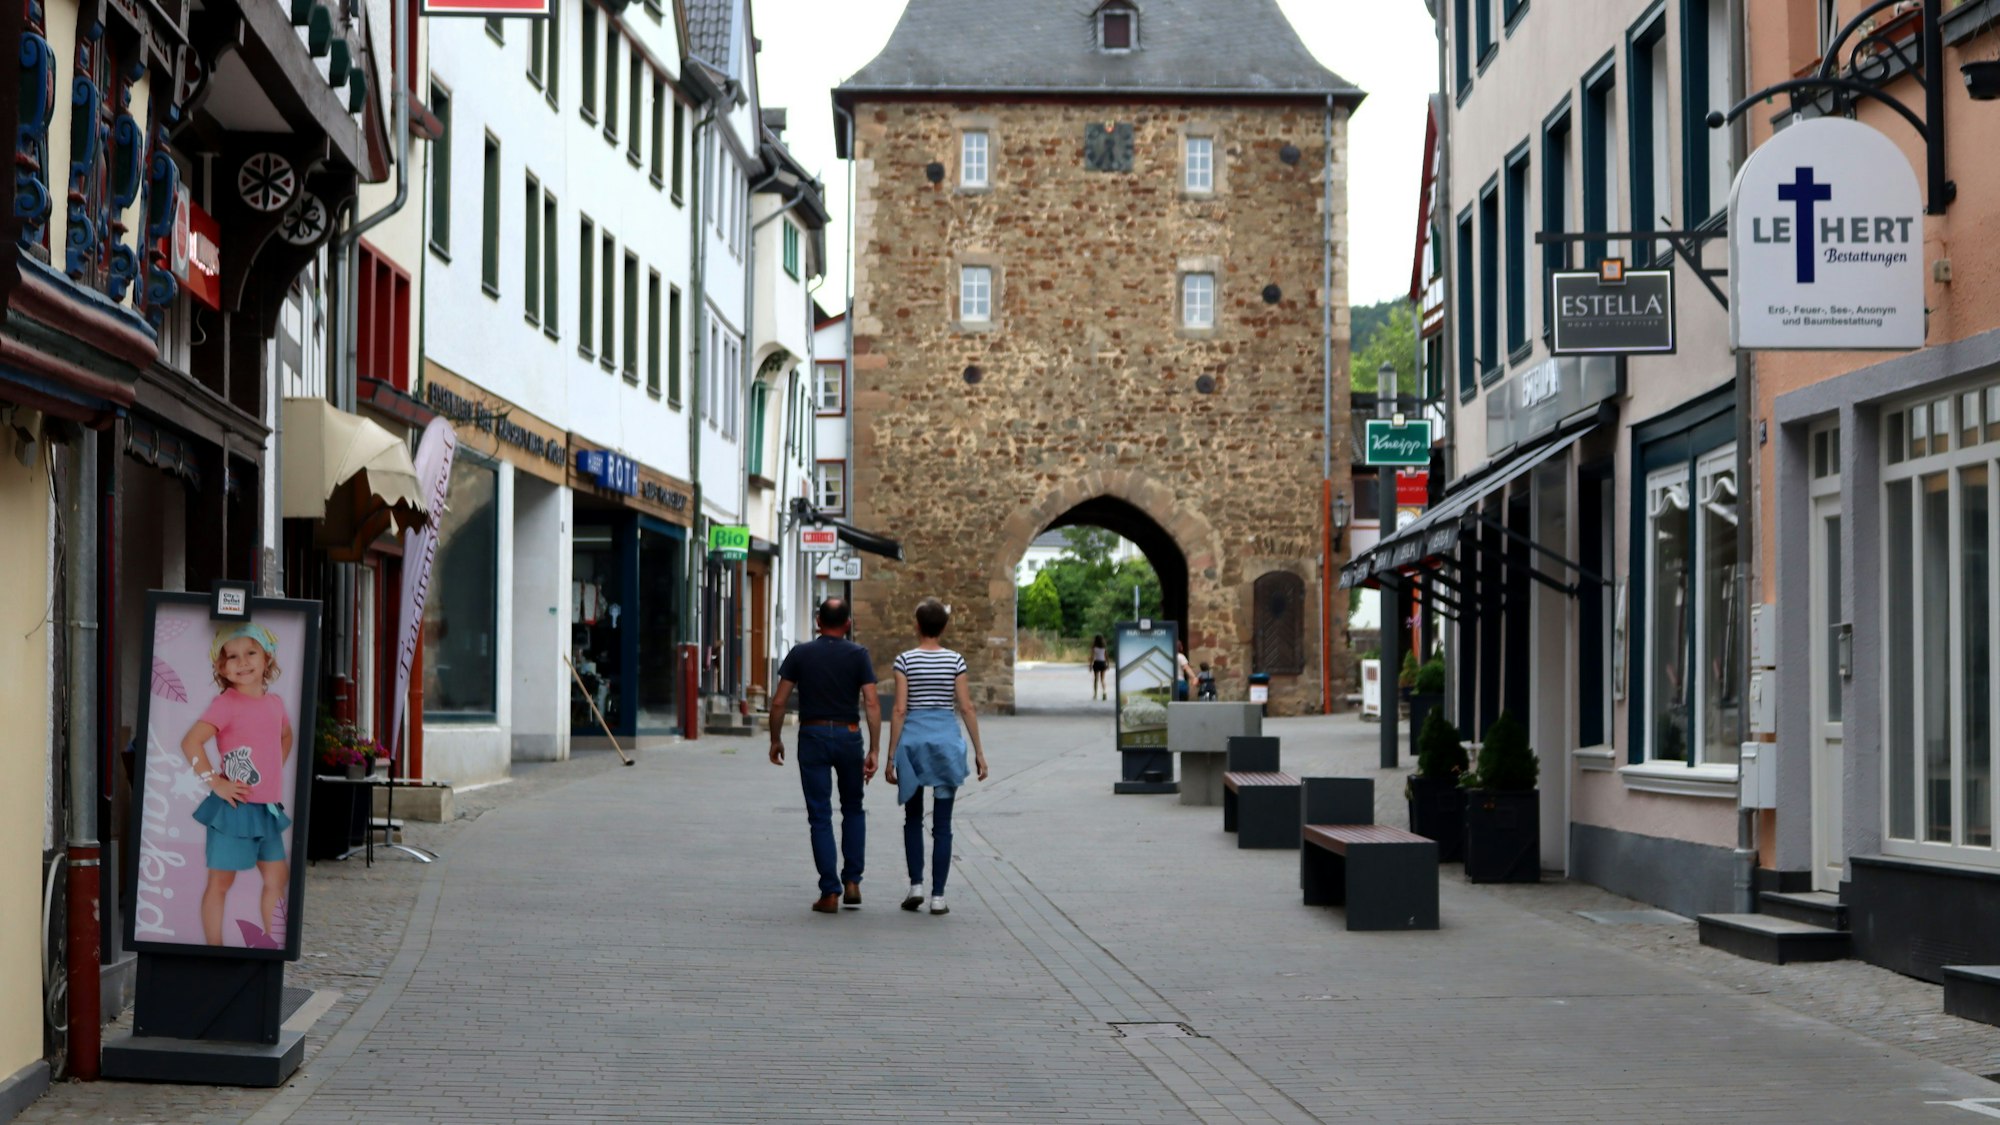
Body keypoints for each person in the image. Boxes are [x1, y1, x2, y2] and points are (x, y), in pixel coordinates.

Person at [181, 622, 294, 947]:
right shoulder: (226, 703)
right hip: (233, 809)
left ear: (266, 658)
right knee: (220, 881)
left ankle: (272, 945)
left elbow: (285, 735)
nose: (242, 662)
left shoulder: (275, 703)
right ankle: (213, 949)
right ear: (221, 667)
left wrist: (273, 768)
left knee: (277, 878)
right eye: (232, 657)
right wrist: (215, 781)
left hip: (267, 809)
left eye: (250, 653)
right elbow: (191, 742)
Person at [768, 597, 882, 914]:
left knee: (820, 815)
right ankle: (853, 881)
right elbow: (872, 704)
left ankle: (829, 892)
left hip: (813, 734)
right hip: (848, 736)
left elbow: (778, 702)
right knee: (853, 808)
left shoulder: (801, 654)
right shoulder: (859, 655)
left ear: (818, 621)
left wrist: (775, 739)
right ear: (847, 623)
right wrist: (874, 748)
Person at [884, 598, 988, 916]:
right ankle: (938, 896)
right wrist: (980, 753)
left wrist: (890, 756)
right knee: (943, 825)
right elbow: (966, 707)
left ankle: (916, 885)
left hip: (913, 744)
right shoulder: (956, 661)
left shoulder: (905, 661)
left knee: (912, 819)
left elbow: (900, 709)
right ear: (944, 627)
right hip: (945, 743)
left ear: (917, 625)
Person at [1089, 634, 1108, 701]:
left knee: (1096, 680)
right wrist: (1107, 664)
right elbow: (1106, 656)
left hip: (1097, 663)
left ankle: (1095, 694)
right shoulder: (1104, 647)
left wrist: (1090, 665)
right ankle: (1104, 692)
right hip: (1103, 663)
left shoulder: (1094, 648)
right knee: (1102, 679)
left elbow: (1092, 657)